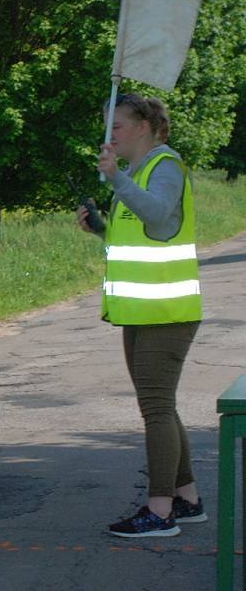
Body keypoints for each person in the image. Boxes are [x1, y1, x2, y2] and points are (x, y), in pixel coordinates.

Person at [77, 93, 205, 538]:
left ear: (145, 127)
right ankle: (186, 499)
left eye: (117, 125)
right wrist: (100, 226)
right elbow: (147, 235)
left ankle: (160, 511)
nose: (109, 134)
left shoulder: (164, 166)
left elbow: (158, 212)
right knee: (161, 407)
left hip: (166, 312)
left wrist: (114, 181)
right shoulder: (137, 172)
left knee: (156, 409)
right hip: (143, 311)